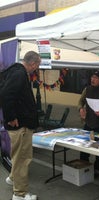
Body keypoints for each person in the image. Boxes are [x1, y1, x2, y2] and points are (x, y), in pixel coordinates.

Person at [1, 51, 41, 200]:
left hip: (21, 124)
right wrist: (11, 118)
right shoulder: (19, 74)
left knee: (18, 156)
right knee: (23, 159)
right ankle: (20, 194)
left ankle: (12, 178)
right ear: (33, 64)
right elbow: (6, 95)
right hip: (20, 125)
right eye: (37, 66)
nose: (36, 69)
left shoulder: (16, 71)